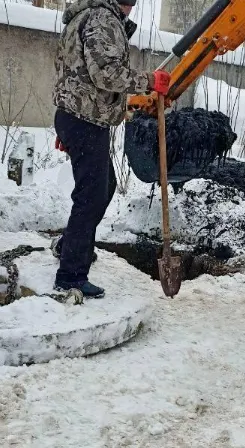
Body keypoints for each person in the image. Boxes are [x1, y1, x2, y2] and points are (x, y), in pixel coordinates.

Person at [52, 0, 170, 298]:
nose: (131, 7)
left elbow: (74, 68)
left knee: (104, 187)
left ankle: (70, 247)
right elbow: (105, 73)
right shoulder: (102, 18)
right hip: (84, 121)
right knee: (91, 196)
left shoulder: (86, 16)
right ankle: (70, 276)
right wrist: (148, 81)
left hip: (79, 117)